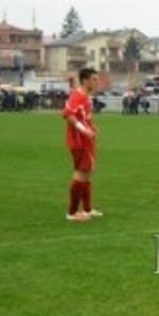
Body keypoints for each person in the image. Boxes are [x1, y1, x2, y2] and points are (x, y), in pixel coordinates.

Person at [62, 68, 103, 222]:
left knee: (87, 173)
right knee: (80, 174)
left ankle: (86, 209)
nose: (96, 82)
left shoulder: (85, 96)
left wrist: (91, 126)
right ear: (85, 80)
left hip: (86, 140)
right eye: (94, 79)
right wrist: (84, 130)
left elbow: (83, 116)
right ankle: (71, 213)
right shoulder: (78, 95)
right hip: (79, 142)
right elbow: (68, 114)